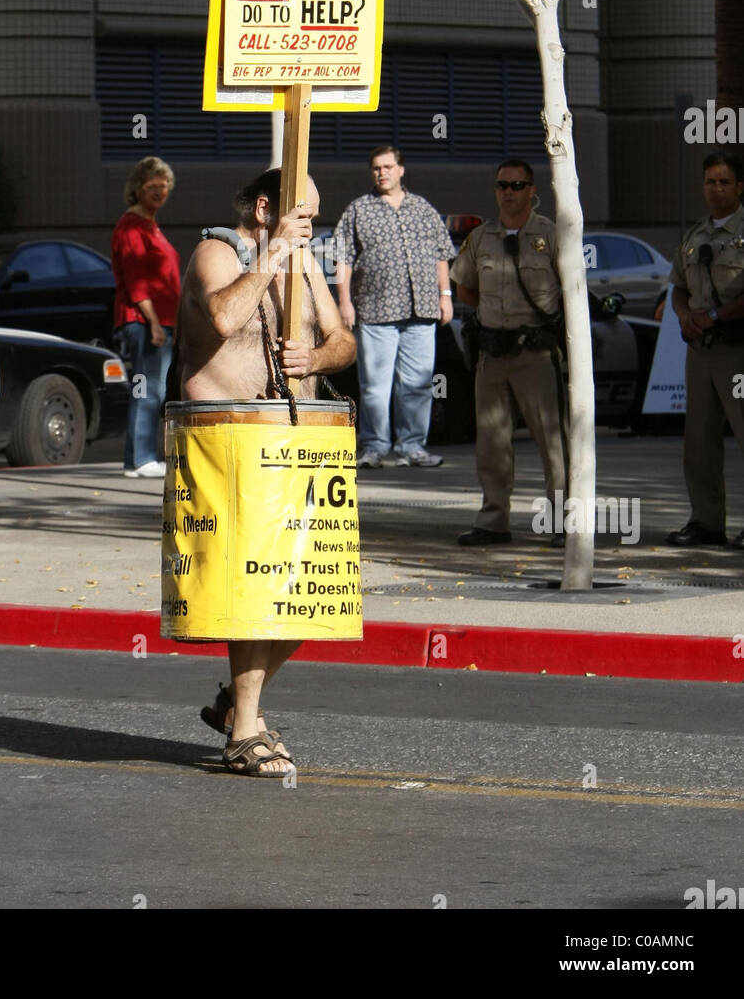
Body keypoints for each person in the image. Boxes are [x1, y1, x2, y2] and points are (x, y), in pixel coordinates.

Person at [180, 167, 355, 775]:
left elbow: (344, 340)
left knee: (313, 592)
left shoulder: (304, 264)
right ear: (265, 209)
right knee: (257, 588)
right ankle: (245, 733)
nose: (311, 228)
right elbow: (224, 318)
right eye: (302, 215)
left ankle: (237, 704)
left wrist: (318, 353)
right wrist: (275, 252)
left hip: (300, 442)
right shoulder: (215, 253)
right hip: (230, 442)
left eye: (313, 216)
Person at [450, 160, 568, 547]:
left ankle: (561, 522)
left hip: (536, 351)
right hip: (493, 352)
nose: (508, 192)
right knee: (492, 442)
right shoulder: (482, 237)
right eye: (502, 185)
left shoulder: (552, 235)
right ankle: (493, 521)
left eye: (517, 185)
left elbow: (572, 290)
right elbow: (465, 288)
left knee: (553, 442)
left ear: (532, 190)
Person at [332, 145, 455, 467]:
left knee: (417, 384)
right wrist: (344, 302)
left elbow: (442, 253)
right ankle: (374, 447)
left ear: (400, 169)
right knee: (374, 386)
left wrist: (446, 296)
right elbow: (343, 258)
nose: (382, 172)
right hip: (375, 312)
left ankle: (412, 446)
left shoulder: (422, 209)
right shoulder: (359, 209)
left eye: (387, 166)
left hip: (421, 311)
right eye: (376, 168)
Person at [666, 151, 744, 549]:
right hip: (699, 351)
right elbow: (679, 286)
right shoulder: (695, 235)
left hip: (737, 349)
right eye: (710, 182)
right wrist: (684, 316)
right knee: (698, 441)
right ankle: (706, 521)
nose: (716, 189)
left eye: (724, 182)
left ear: (740, 186)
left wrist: (716, 314)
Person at [111, 156, 180, 479]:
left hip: (159, 321)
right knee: (147, 387)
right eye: (152, 185)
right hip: (143, 321)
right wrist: (153, 322)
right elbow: (136, 279)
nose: (160, 190)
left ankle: (135, 459)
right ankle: (142, 458)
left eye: (164, 185)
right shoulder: (132, 225)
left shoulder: (151, 224)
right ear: (137, 188)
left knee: (152, 387)